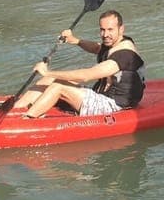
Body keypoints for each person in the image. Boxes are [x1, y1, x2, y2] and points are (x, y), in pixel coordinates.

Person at [9, 9, 145, 119]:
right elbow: (97, 48)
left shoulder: (124, 54)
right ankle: (14, 110)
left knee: (58, 86)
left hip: (114, 105)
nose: (105, 34)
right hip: (101, 95)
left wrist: (47, 71)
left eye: (110, 30)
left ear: (121, 29)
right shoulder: (114, 42)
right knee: (49, 80)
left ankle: (27, 119)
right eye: (102, 30)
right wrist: (75, 40)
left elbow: (86, 75)